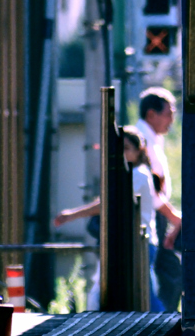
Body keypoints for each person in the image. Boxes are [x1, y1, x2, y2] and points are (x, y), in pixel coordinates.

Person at [54, 127, 181, 310]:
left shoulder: (138, 175)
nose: (122, 153)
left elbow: (107, 203)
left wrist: (71, 215)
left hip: (139, 243)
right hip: (134, 242)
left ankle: (162, 324)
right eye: (119, 148)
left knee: (144, 291)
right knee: (138, 290)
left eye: (127, 148)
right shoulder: (135, 174)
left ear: (139, 151)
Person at [134, 87, 183, 312]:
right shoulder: (142, 139)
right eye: (168, 113)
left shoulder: (152, 138)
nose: (172, 119)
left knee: (167, 269)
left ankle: (164, 315)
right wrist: (173, 216)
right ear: (151, 114)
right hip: (150, 214)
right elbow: (150, 189)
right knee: (168, 269)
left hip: (155, 213)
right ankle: (164, 318)